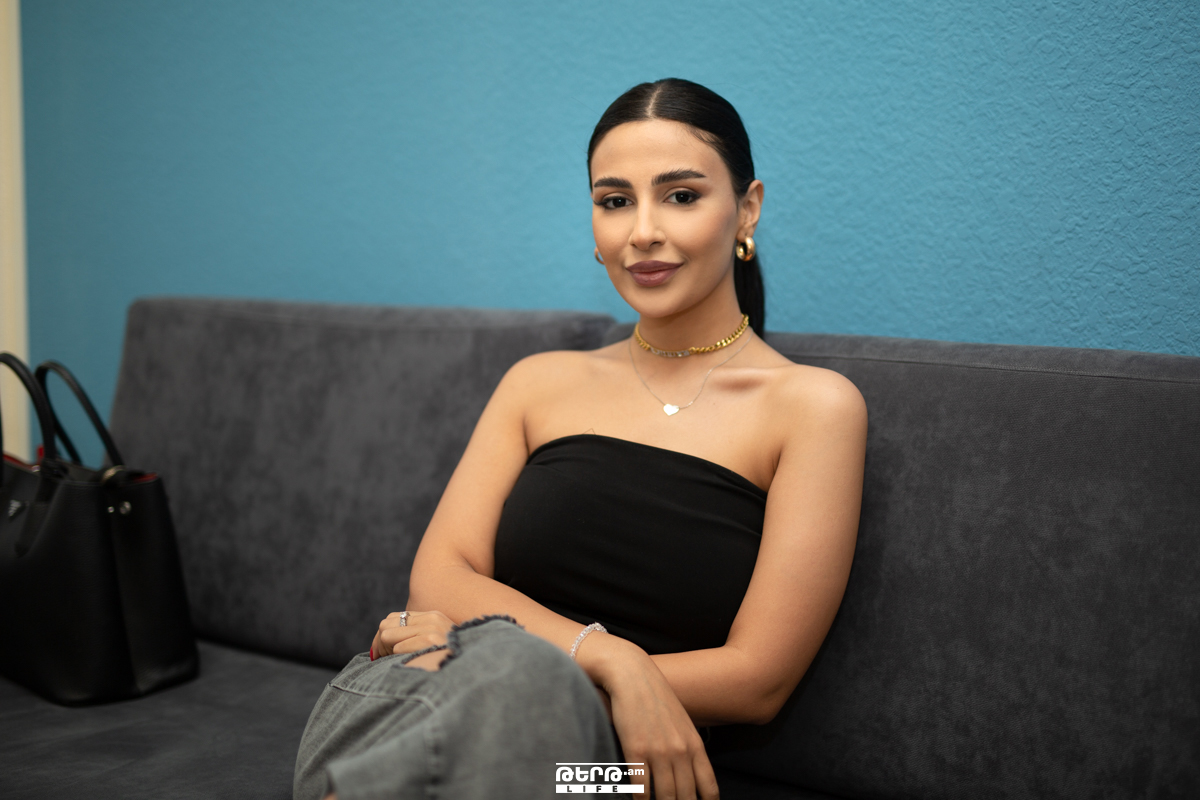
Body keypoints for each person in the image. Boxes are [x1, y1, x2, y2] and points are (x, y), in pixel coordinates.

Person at [294, 78, 867, 800]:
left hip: (599, 771)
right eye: (615, 201)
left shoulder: (813, 407)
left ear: (747, 208)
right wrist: (611, 659)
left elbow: (759, 680)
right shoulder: (538, 382)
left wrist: (515, 664)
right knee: (498, 699)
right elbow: (437, 578)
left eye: (680, 195)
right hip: (407, 704)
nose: (642, 231)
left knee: (521, 720)